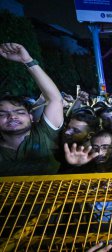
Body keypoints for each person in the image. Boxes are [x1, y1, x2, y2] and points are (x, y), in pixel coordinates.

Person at [0, 43, 64, 176]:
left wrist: (27, 61)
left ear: (31, 117)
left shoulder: (44, 134)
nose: (12, 117)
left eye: (19, 112)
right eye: (3, 114)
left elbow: (55, 99)